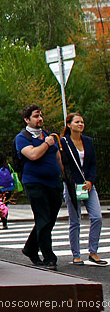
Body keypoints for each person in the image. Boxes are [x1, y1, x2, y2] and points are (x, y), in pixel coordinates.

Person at [16, 104, 62, 271]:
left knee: (49, 219)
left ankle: (30, 248)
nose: (40, 118)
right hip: (35, 182)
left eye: (41, 115)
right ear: (27, 119)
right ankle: (49, 258)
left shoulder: (48, 135)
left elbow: (58, 158)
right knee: (43, 218)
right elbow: (33, 155)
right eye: (36, 116)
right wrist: (47, 144)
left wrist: (64, 177)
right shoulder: (22, 138)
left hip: (53, 183)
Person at [60, 112, 106, 266]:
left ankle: (93, 251)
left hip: (87, 185)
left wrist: (90, 181)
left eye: (82, 122)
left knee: (97, 217)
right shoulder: (64, 142)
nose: (80, 124)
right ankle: (76, 254)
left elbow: (93, 163)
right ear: (69, 125)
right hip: (73, 186)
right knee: (75, 220)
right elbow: (63, 165)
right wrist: (71, 181)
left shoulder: (88, 141)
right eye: (77, 122)